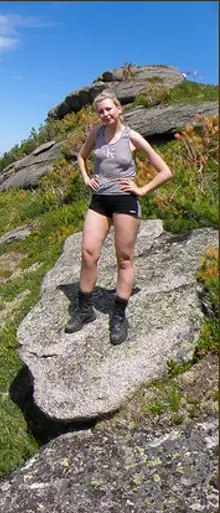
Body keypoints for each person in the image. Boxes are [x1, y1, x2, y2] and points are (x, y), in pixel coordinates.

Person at [65, 90, 172, 344]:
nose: (105, 114)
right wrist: (85, 176)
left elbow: (165, 171)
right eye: (100, 111)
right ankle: (84, 309)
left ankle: (120, 314)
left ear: (119, 108)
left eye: (108, 109)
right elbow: (81, 156)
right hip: (100, 199)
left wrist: (142, 189)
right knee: (88, 253)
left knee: (124, 259)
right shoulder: (97, 133)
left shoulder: (132, 137)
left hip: (125, 200)